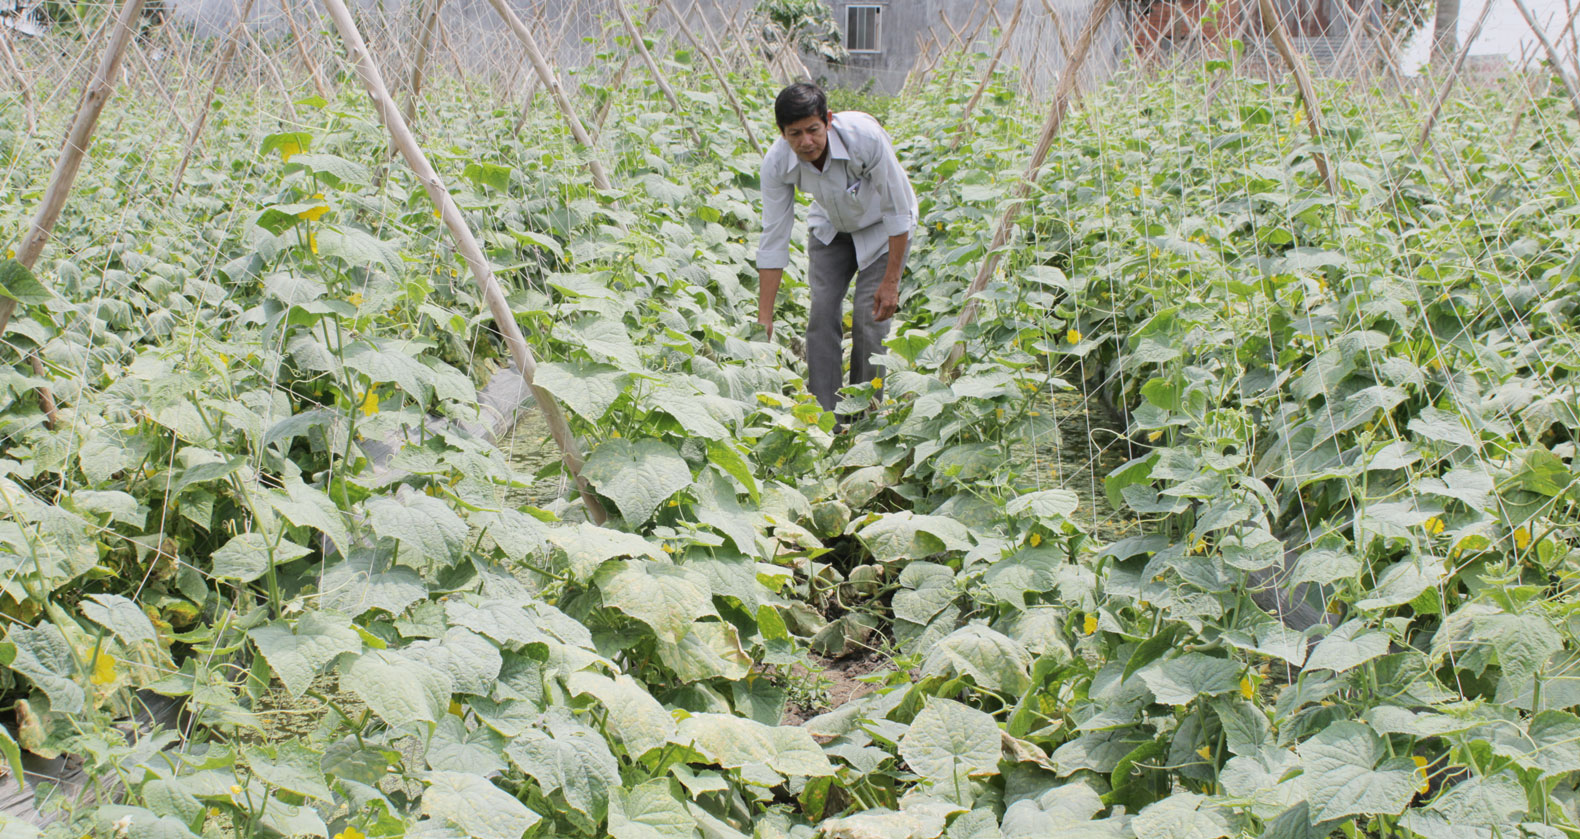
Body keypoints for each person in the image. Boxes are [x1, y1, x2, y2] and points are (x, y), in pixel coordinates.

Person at [755, 82, 918, 414]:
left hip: (882, 232)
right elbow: (774, 237)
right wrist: (764, 317)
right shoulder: (776, 164)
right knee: (822, 314)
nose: (806, 142)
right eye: (795, 133)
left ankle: (864, 413)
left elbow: (898, 213)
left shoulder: (865, 139)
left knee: (869, 319)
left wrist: (891, 283)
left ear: (827, 120)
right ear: (782, 133)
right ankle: (825, 416)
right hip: (831, 230)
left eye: (813, 130)